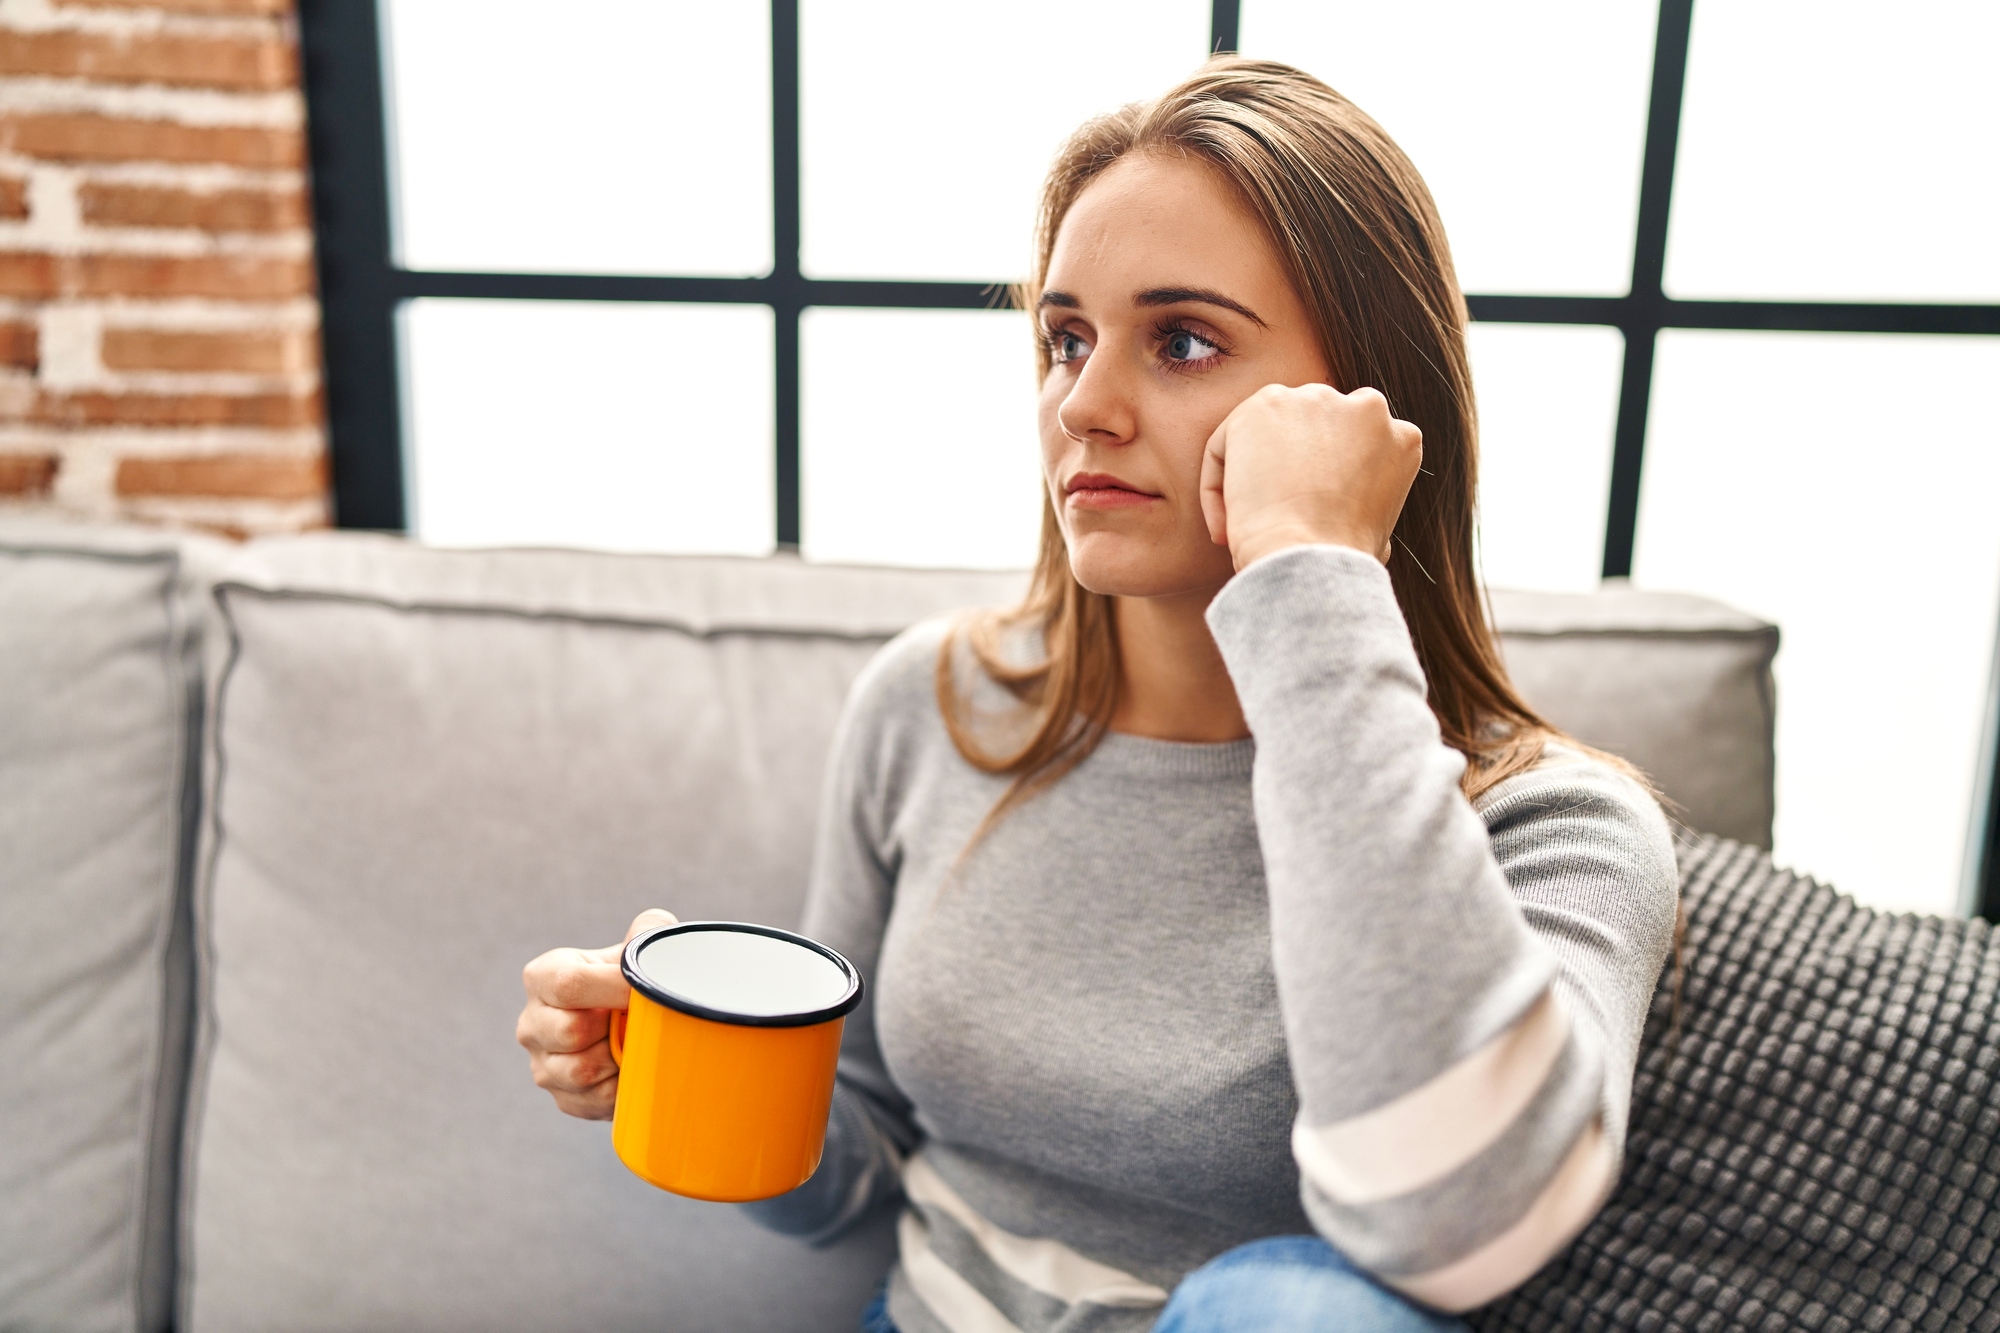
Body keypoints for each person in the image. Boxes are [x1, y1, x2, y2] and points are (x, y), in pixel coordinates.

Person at [516, 56, 1677, 1333]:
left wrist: (1310, 575)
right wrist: (682, 1064)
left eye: (1180, 341)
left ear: (1364, 410)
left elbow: (1450, 1226)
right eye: (1065, 338)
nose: (1081, 403)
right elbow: (854, 1154)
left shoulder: (1556, 830)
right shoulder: (932, 708)